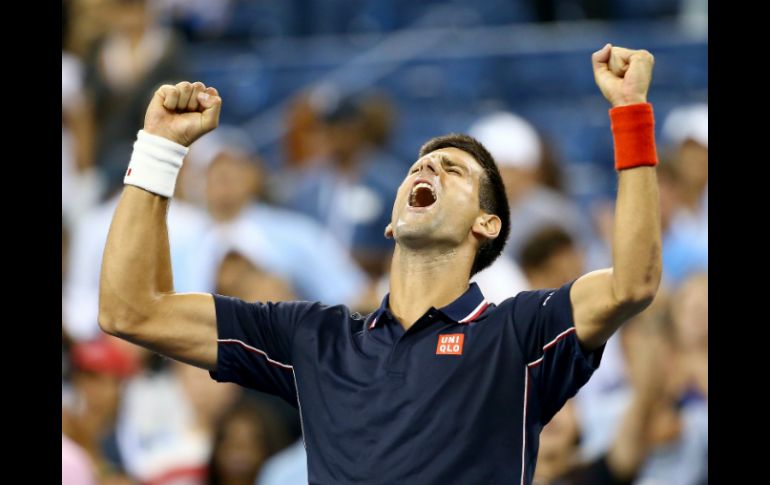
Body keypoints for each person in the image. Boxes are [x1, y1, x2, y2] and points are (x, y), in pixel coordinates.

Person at [99, 44, 661, 484]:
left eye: (454, 171)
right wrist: (159, 148)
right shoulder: (314, 339)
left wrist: (631, 114)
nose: (429, 170)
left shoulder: (519, 332)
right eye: (421, 165)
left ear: (485, 226)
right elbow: (132, 311)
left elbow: (632, 282)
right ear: (391, 223)